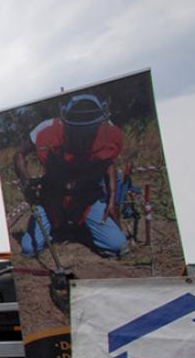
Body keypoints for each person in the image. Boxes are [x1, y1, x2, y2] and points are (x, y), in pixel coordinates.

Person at [12, 93, 127, 259]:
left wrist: (111, 202)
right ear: (66, 121)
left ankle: (82, 227)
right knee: (30, 250)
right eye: (78, 128)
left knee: (117, 246)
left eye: (89, 128)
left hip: (85, 198)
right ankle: (58, 226)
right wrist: (26, 182)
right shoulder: (46, 129)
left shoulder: (107, 130)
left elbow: (108, 162)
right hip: (52, 197)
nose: (84, 134)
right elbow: (19, 155)